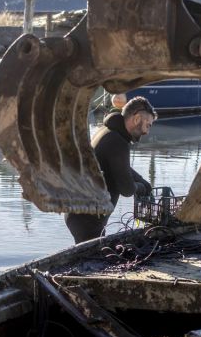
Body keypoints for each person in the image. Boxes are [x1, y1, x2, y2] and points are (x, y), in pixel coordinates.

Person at [64, 96, 157, 243]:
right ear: (137, 118)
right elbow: (127, 189)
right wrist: (141, 188)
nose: (147, 131)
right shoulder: (117, 142)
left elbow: (119, 166)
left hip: (81, 215)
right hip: (87, 219)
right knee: (94, 261)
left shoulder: (108, 132)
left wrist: (141, 180)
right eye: (148, 125)